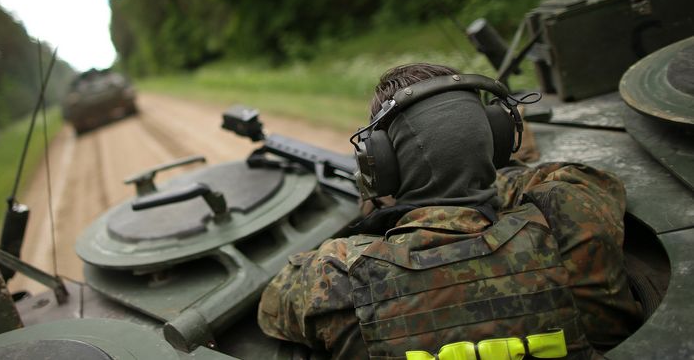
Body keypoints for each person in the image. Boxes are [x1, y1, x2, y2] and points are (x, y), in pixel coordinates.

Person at [257, 63, 641, 359]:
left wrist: (388, 211)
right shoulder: (572, 216)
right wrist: (479, 178)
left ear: (384, 165)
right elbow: (577, 179)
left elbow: (272, 306)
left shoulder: (338, 277)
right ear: (495, 140)